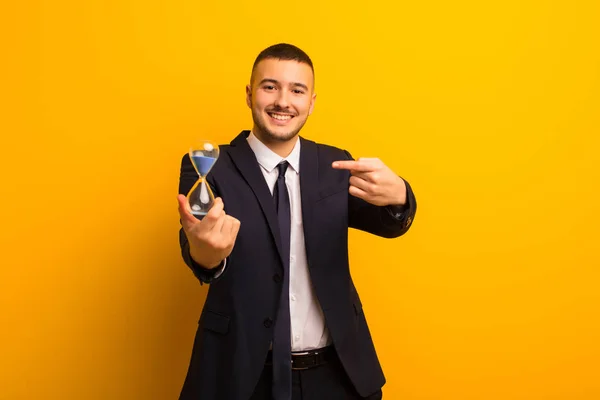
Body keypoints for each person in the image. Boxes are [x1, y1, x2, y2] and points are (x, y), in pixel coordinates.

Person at [176, 43, 417, 400]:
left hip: (336, 376)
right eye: (270, 86)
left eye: (297, 90)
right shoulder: (210, 165)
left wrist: (400, 195)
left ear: (312, 101)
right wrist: (205, 252)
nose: (283, 101)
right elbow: (200, 255)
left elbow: (389, 223)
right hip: (241, 375)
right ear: (249, 94)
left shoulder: (336, 166)